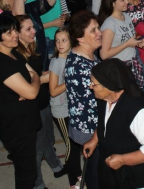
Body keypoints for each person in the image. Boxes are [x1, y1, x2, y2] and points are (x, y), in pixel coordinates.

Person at [83, 58, 144, 189]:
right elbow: (105, 123)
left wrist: (122, 159)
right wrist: (95, 139)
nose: (90, 87)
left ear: (109, 85)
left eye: (94, 84)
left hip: (142, 178)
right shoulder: (104, 99)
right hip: (120, 175)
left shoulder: (138, 111)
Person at [0, 14, 42, 188]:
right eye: (8, 33)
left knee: (28, 171)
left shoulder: (12, 53)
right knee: (27, 174)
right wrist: (32, 82)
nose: (15, 35)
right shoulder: (0, 63)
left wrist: (32, 82)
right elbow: (33, 91)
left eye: (14, 31)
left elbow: (34, 75)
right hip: (17, 128)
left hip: (24, 123)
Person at [15, 15, 65, 189]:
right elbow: (30, 83)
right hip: (32, 105)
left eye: (33, 27)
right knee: (36, 146)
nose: (34, 31)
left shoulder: (31, 46)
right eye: (28, 29)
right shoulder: (17, 56)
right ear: (17, 33)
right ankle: (37, 182)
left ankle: (55, 164)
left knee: (48, 138)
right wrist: (55, 76)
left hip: (43, 100)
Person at [64, 10, 102, 189]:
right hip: (90, 129)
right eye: (93, 30)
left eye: (98, 28)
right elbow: (94, 104)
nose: (99, 33)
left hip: (93, 125)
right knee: (96, 173)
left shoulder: (88, 54)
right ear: (80, 38)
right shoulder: (79, 67)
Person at [49, 28, 83, 189]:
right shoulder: (56, 62)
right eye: (57, 40)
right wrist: (71, 80)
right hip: (60, 110)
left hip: (73, 107)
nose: (60, 44)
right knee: (70, 144)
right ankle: (72, 180)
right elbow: (53, 90)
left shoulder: (73, 57)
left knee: (77, 143)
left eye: (64, 40)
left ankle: (76, 171)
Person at [98, 0, 144, 87]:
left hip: (132, 65)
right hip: (119, 70)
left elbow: (127, 38)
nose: (127, 2)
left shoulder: (126, 16)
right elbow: (104, 54)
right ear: (113, 3)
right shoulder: (110, 23)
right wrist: (127, 44)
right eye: (122, 0)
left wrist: (138, 42)